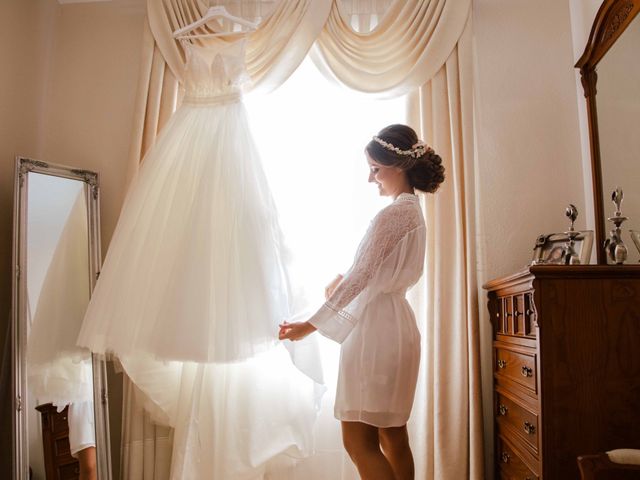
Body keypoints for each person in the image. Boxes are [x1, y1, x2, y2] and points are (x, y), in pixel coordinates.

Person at [279, 124, 445, 480]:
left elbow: (363, 277)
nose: (371, 179)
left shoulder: (394, 214)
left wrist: (308, 326)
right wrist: (347, 275)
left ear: (397, 165)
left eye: (375, 169)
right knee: (392, 435)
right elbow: (373, 269)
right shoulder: (412, 212)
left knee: (358, 441)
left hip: (376, 334)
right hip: (398, 326)